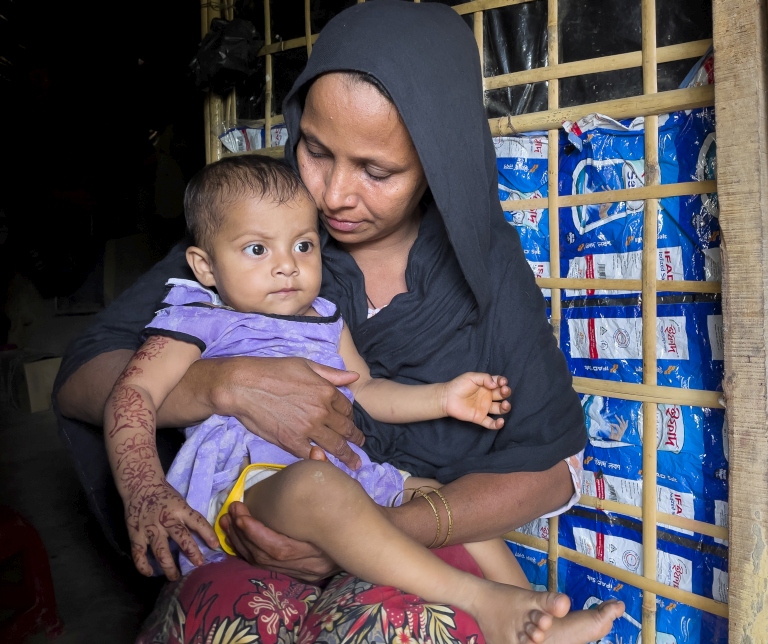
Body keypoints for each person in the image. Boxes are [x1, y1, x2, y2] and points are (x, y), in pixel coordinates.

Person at [55, 1, 618, 641]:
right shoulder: (256, 234)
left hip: (390, 513)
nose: (332, 197)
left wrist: (367, 532)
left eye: (376, 171)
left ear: (438, 162)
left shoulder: (483, 270)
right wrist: (223, 383)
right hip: (257, 514)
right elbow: (84, 378)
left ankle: (534, 626)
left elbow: (550, 467)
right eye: (315, 151)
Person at [104, 154, 620, 643]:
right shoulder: (199, 317)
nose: (287, 266)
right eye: (258, 249)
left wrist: (443, 398)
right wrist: (143, 486)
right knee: (315, 483)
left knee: (438, 496)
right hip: (248, 488)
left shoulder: (324, 317)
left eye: (302, 245)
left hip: (344, 476)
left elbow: (366, 389)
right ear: (206, 266)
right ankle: (481, 601)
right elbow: (133, 392)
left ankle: (533, 618)